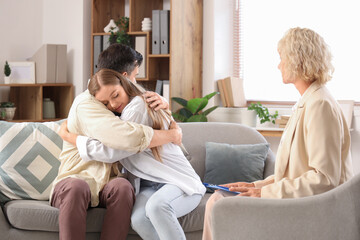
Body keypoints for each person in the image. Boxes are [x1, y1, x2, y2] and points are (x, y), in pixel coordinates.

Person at [202, 27, 354, 240]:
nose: (279, 65)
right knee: (219, 198)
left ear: (297, 59)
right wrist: (254, 185)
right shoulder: (309, 101)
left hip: (316, 211)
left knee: (219, 204)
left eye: (282, 58)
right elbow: (294, 174)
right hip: (302, 202)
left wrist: (262, 193)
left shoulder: (320, 105)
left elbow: (324, 179)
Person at [50, 44, 179, 240]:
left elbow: (151, 114)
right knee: (78, 187)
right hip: (74, 180)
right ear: (123, 76)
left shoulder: (120, 99)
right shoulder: (87, 104)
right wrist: (171, 135)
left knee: (122, 187)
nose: (135, 83)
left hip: (107, 184)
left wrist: (164, 106)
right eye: (134, 77)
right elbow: (125, 138)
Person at [59, 68, 206, 240]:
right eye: (105, 103)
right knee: (138, 220)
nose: (113, 105)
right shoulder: (119, 116)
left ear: (124, 83)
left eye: (115, 95)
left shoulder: (136, 107)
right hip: (148, 186)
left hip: (177, 182)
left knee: (157, 207)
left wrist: (70, 137)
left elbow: (112, 151)